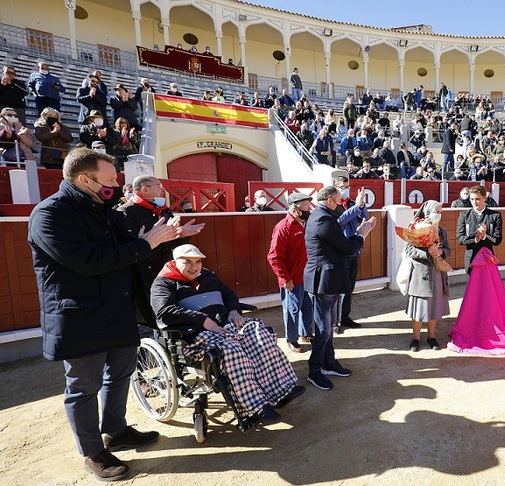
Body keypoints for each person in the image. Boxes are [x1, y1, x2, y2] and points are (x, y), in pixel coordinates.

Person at [27, 148, 181, 481]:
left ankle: (116, 429)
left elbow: (128, 251)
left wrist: (160, 239)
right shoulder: (50, 214)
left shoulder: (104, 209)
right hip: (80, 318)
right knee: (83, 387)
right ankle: (92, 451)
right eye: (110, 180)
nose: (117, 185)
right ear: (85, 179)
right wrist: (144, 244)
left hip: (116, 311)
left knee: (120, 374)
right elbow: (90, 261)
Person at [151, 244, 305, 427]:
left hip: (227, 326)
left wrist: (233, 310)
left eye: (197, 262)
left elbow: (229, 294)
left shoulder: (208, 275)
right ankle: (256, 407)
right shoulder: (164, 282)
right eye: (187, 262)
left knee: (259, 335)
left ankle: (281, 391)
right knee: (232, 350)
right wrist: (202, 320)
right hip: (198, 334)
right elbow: (164, 311)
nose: (194, 267)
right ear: (176, 262)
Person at [303, 185, 376, 390]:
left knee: (329, 326)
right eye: (338, 201)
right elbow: (346, 247)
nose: (341, 205)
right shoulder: (323, 219)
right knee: (324, 328)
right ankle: (314, 370)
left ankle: (328, 362)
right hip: (323, 281)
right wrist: (362, 234)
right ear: (329, 201)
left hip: (328, 279)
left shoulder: (322, 216)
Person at [117, 175, 204, 327]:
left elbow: (173, 243)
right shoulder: (125, 213)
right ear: (145, 189)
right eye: (159, 186)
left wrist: (182, 234)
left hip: (167, 270)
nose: (162, 190)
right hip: (143, 275)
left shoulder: (163, 211)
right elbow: (130, 248)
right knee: (152, 318)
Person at [267, 193, 314, 352]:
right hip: (292, 278)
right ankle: (291, 339)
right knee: (292, 310)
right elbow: (273, 257)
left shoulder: (306, 223)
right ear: (295, 207)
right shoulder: (283, 227)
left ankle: (306, 333)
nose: (309, 207)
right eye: (306, 205)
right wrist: (285, 279)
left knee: (308, 307)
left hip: (306, 276)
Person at [402, 201, 450, 352]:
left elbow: (448, 249)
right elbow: (409, 251)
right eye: (436, 211)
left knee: (434, 306)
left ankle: (432, 336)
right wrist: (426, 252)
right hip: (420, 273)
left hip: (437, 272)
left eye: (440, 211)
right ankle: (415, 338)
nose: (438, 214)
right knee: (419, 307)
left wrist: (441, 252)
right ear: (428, 211)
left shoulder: (441, 231)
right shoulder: (416, 228)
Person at [334, 176, 368, 332]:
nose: (345, 189)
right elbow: (340, 221)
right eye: (342, 187)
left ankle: (345, 317)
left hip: (352, 250)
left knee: (349, 287)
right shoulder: (333, 207)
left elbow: (363, 217)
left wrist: (361, 205)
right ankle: (335, 321)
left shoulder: (353, 204)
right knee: (336, 288)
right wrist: (357, 207)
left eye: (347, 186)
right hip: (338, 252)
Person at [456, 185, 503, 272]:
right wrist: (475, 238)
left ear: (484, 198)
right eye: (472, 199)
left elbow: (497, 240)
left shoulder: (495, 216)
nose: (474, 202)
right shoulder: (464, 215)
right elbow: (459, 239)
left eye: (477, 199)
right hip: (470, 256)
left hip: (488, 255)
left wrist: (485, 236)